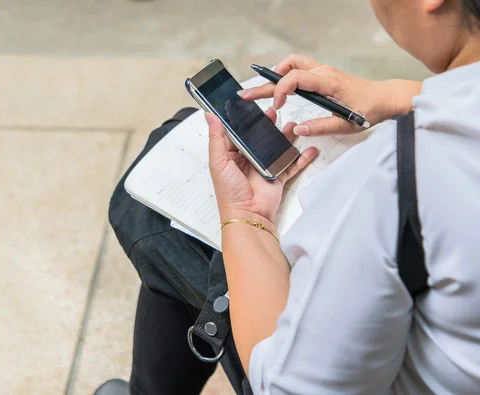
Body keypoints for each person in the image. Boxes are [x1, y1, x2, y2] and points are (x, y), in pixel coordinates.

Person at [95, 0, 480, 393]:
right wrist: (401, 94)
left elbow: (290, 387)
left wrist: (247, 215)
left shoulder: (395, 177)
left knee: (153, 214)